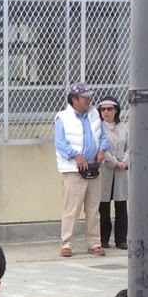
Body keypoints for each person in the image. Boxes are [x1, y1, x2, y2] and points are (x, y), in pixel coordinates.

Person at [54, 82, 105, 258]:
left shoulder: (94, 114)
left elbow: (102, 136)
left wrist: (102, 150)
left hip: (94, 166)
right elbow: (60, 142)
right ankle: (67, 243)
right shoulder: (63, 117)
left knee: (93, 208)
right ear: (74, 99)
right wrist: (76, 156)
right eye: (85, 97)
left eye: (89, 97)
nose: (89, 100)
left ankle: (94, 243)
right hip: (73, 170)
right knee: (72, 209)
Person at [96, 99, 130, 251]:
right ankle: (103, 239)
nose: (106, 112)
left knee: (121, 205)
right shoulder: (98, 128)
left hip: (121, 171)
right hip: (105, 169)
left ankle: (121, 239)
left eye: (109, 109)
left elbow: (130, 147)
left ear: (116, 110)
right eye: (103, 109)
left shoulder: (123, 128)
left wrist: (124, 162)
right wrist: (114, 162)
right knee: (103, 206)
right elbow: (100, 148)